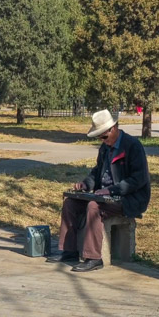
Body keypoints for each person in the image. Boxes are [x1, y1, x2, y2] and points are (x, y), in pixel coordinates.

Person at [47, 109, 151, 272]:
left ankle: (94, 257)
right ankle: (69, 251)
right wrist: (86, 185)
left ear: (114, 128)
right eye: (99, 137)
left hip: (131, 198)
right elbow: (97, 172)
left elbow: (138, 180)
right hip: (106, 196)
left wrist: (111, 190)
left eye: (104, 136)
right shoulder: (104, 148)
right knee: (70, 203)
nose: (102, 140)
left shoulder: (133, 146)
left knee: (94, 207)